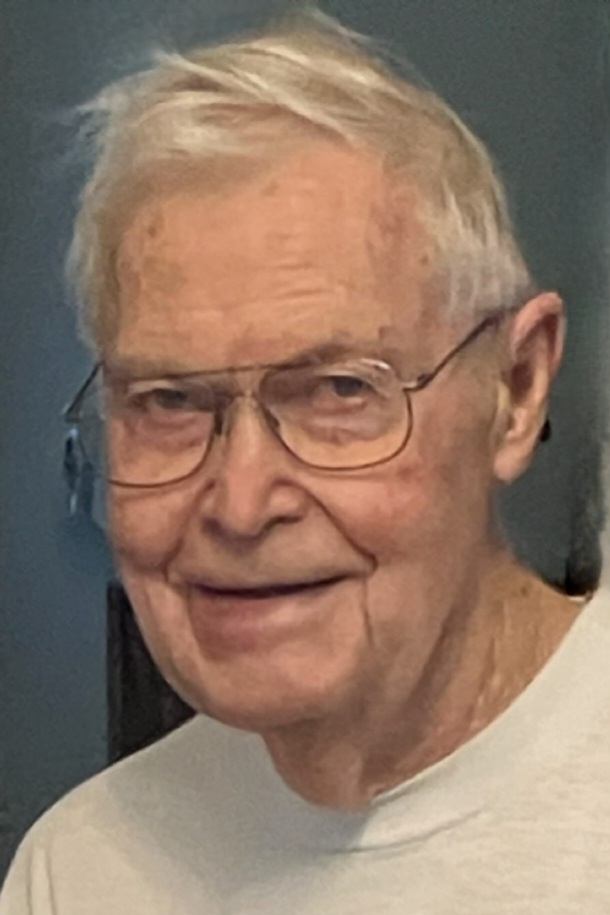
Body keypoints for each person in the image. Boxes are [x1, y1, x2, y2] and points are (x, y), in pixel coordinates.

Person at [2, 11, 609, 914]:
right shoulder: (79, 871)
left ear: (516, 389)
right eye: (169, 401)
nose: (241, 504)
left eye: (338, 390)